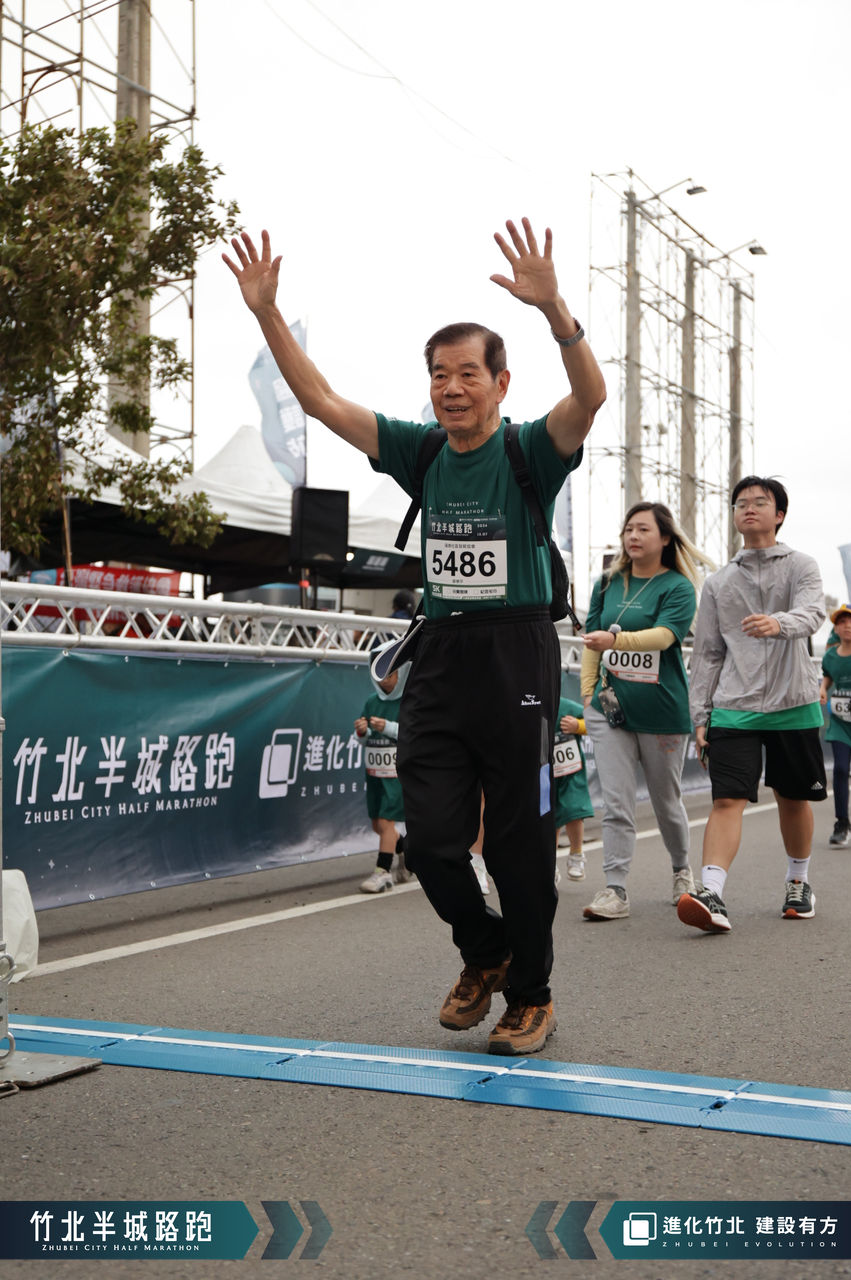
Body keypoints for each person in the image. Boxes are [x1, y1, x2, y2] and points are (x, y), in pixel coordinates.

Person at [223, 219, 606, 1054]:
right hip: (440, 655)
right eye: (439, 374)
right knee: (429, 840)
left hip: (517, 657)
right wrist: (266, 314)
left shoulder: (529, 451)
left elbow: (589, 399)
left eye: (467, 373)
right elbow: (321, 402)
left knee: (517, 846)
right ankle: (487, 950)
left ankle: (531, 996)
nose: (451, 388)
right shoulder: (420, 450)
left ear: (500, 382)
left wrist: (555, 312)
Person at [679, 476, 826, 933]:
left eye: (760, 502)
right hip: (733, 705)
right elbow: (707, 653)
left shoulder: (802, 566)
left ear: (778, 515)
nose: (748, 508)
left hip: (793, 701)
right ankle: (712, 893)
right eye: (740, 503)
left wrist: (778, 623)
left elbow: (813, 614)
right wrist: (700, 716)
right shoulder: (719, 582)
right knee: (727, 799)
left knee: (793, 797)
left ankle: (798, 882)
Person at [579, 503, 705, 919]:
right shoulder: (606, 583)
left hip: (662, 712)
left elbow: (665, 637)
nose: (633, 536)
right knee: (617, 802)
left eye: (643, 529)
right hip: (609, 711)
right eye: (628, 529)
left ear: (665, 538)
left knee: (666, 801)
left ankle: (681, 869)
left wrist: (617, 642)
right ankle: (614, 889)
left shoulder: (678, 587)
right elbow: (592, 641)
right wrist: (588, 694)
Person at [353, 644, 412, 892]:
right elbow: (362, 738)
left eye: (390, 674)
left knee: (388, 821)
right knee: (378, 825)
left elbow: (412, 734)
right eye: (379, 675)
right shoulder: (371, 701)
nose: (384, 681)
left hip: (397, 774)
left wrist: (386, 727)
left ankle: (382, 872)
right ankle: (405, 849)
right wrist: (362, 731)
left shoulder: (409, 701)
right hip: (375, 773)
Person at [819, 604, 851, 847]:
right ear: (836, 629)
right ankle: (842, 823)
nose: (847, 626)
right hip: (841, 723)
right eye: (842, 622)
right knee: (840, 769)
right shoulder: (830, 657)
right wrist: (823, 688)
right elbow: (828, 675)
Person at [553, 696, 594, 881]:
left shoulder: (566, 706)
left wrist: (578, 726)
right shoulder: (529, 705)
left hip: (571, 773)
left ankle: (576, 854)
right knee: (549, 818)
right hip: (545, 774)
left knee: (574, 810)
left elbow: (595, 722)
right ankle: (550, 862)